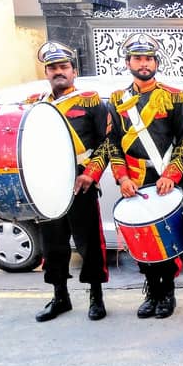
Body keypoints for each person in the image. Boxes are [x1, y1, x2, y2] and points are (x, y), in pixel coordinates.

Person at [104, 33, 183, 319]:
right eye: (138, 59)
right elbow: (112, 144)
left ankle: (167, 293)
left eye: (148, 59)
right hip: (135, 180)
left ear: (156, 62)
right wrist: (122, 177)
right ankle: (151, 291)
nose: (144, 64)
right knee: (142, 241)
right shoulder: (118, 99)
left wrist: (172, 174)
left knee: (165, 242)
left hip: (164, 179)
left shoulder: (173, 96)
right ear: (128, 62)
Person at [28, 42, 110, 323]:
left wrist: (91, 173)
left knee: (88, 244)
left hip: (81, 184)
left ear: (74, 71)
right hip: (47, 187)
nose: (58, 72)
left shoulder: (90, 101)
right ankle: (60, 296)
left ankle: (96, 297)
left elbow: (107, 143)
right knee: (53, 244)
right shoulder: (36, 105)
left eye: (64, 67)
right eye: (52, 68)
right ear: (46, 72)